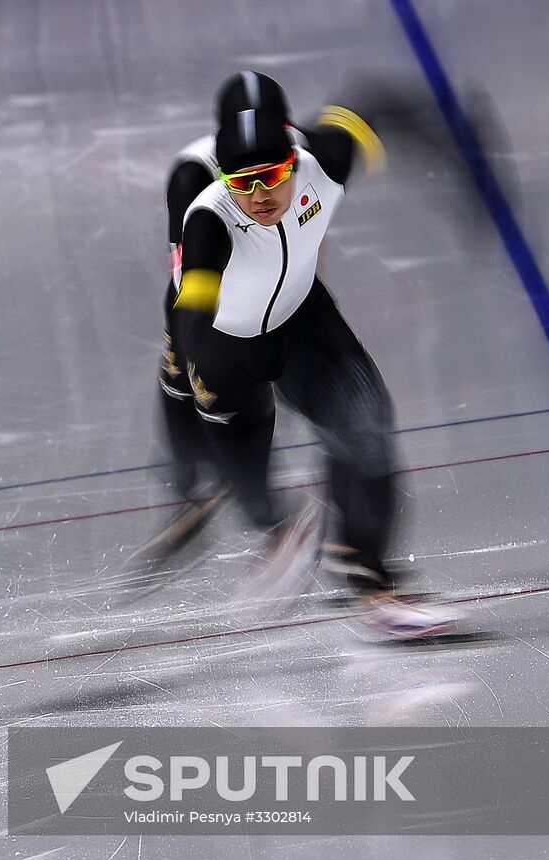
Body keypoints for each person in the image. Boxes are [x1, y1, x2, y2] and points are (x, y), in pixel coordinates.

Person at [168, 75, 464, 638]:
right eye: (242, 182)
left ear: (293, 155)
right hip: (231, 356)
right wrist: (198, 383)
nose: (259, 195)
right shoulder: (208, 219)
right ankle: (279, 529)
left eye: (273, 176)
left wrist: (453, 146)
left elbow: (371, 105)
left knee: (368, 430)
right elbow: (191, 318)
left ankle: (369, 579)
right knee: (252, 491)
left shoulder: (323, 160)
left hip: (305, 325)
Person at [138, 73, 295, 567]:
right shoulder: (192, 175)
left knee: (235, 410)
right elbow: (186, 279)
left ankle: (266, 514)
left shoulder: (298, 157)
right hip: (202, 300)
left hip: (260, 303)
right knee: (180, 383)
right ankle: (193, 483)